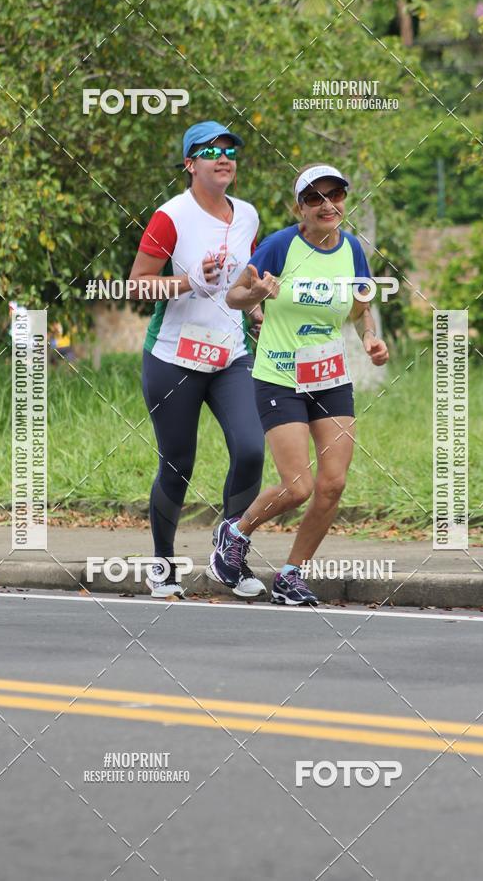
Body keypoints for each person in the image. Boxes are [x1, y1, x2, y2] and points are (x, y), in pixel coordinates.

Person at [207, 163, 389, 605]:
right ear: (300, 208)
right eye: (315, 199)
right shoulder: (279, 246)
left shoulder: (351, 251)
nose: (328, 206)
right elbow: (234, 296)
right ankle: (235, 531)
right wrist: (259, 294)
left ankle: (291, 575)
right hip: (279, 376)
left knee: (332, 484)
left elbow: (361, 303)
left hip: (329, 377)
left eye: (335, 196)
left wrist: (369, 336)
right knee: (298, 487)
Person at [129, 121, 266, 599]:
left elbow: (241, 283)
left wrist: (257, 307)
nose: (223, 157)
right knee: (178, 463)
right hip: (174, 357)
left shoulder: (248, 215)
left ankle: (230, 556)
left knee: (250, 449)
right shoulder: (170, 217)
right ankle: (163, 566)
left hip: (231, 355)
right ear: (190, 164)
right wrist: (188, 281)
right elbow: (138, 283)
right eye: (210, 151)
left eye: (230, 150)